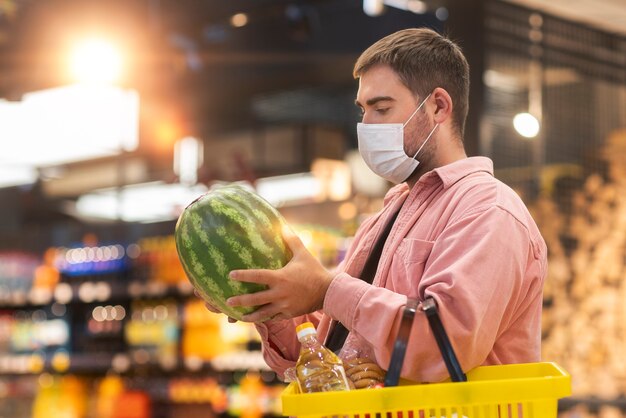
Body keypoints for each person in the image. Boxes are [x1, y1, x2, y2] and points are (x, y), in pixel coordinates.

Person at [205, 27, 548, 383]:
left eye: (382, 108)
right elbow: (331, 352)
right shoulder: (387, 215)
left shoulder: (487, 209)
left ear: (439, 106)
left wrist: (326, 289)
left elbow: (444, 344)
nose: (366, 125)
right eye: (363, 111)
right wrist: (269, 303)